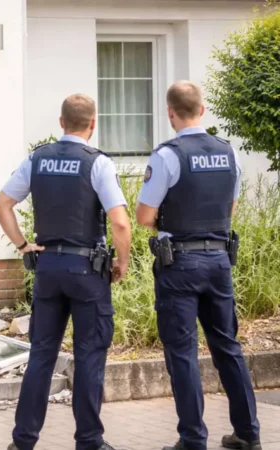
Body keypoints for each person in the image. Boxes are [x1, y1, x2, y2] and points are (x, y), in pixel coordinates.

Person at [0, 94, 131, 450]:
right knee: (89, 354)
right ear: (93, 124)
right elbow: (120, 222)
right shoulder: (97, 163)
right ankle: (89, 441)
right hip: (87, 270)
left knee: (42, 354)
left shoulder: (37, 159)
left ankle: (23, 441)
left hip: (48, 267)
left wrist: (24, 245)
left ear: (61, 122)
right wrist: (123, 262)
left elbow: (1, 204)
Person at [135, 81, 261, 450]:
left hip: (181, 264)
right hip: (220, 260)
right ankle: (249, 434)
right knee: (227, 347)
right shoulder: (228, 152)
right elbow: (230, 209)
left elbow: (144, 215)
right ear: (202, 110)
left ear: (170, 113)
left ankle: (193, 439)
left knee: (182, 351)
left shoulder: (167, 155)